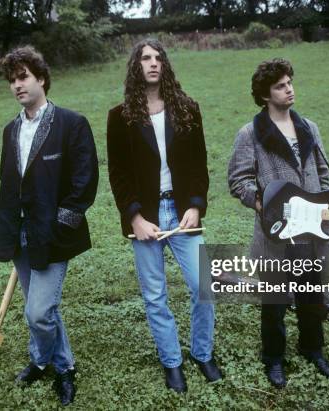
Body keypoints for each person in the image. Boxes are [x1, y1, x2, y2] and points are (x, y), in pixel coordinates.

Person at [106, 39, 221, 393]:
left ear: (165, 65)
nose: (152, 63)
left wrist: (195, 205)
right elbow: (119, 176)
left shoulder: (187, 108)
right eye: (145, 58)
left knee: (204, 287)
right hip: (147, 217)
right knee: (155, 296)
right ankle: (172, 362)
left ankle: (202, 354)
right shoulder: (120, 116)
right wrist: (135, 218)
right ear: (135, 66)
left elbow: (200, 165)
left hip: (182, 211)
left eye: (158, 57)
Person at [0, 45, 98, 406]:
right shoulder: (10, 131)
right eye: (11, 80)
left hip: (53, 233)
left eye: (22, 77)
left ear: (41, 78)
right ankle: (46, 362)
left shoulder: (71, 123)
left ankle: (61, 368)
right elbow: (9, 183)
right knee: (44, 309)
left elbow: (84, 182)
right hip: (20, 233)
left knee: (38, 312)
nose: (16, 85)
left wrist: (60, 224)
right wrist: (7, 230)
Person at [228, 58, 329, 388]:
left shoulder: (310, 128)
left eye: (290, 82)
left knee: (311, 293)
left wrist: (324, 203)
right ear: (265, 95)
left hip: (311, 231)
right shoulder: (251, 133)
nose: (289, 89)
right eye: (280, 85)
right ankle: (274, 358)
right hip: (275, 233)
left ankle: (313, 349)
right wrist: (264, 204)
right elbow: (238, 180)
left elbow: (321, 173)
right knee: (275, 301)